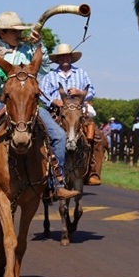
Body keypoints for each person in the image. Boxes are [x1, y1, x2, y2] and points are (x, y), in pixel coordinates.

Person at [0, 12, 80, 200]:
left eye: (19, 31)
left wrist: (37, 44)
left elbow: (45, 67)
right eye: (13, 31)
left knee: (58, 134)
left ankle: (57, 183)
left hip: (27, 103)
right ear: (2, 34)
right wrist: (6, 77)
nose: (18, 34)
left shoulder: (28, 49)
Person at [40, 43, 102, 185]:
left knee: (97, 137)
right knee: (40, 134)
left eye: (67, 55)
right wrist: (53, 101)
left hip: (78, 113)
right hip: (57, 113)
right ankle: (43, 171)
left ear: (71, 57)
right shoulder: (50, 76)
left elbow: (92, 91)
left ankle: (92, 172)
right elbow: (42, 93)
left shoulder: (81, 73)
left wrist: (79, 93)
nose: (64, 58)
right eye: (61, 56)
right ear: (58, 59)